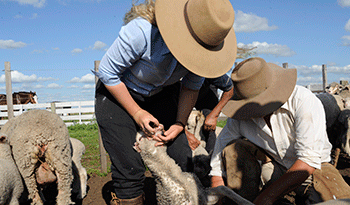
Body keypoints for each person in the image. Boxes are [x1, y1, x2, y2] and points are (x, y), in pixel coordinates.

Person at [93, 0, 237, 204]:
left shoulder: (204, 54)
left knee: (183, 157)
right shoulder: (141, 32)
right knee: (130, 167)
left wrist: (179, 124)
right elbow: (107, 73)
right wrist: (136, 112)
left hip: (160, 95)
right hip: (117, 94)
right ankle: (128, 196)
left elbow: (190, 88)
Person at [210, 57, 350, 204]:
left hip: (314, 170)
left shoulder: (302, 101)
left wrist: (268, 196)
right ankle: (245, 197)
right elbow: (222, 144)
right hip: (275, 166)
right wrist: (217, 179)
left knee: (339, 200)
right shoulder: (241, 114)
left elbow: (308, 160)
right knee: (233, 148)